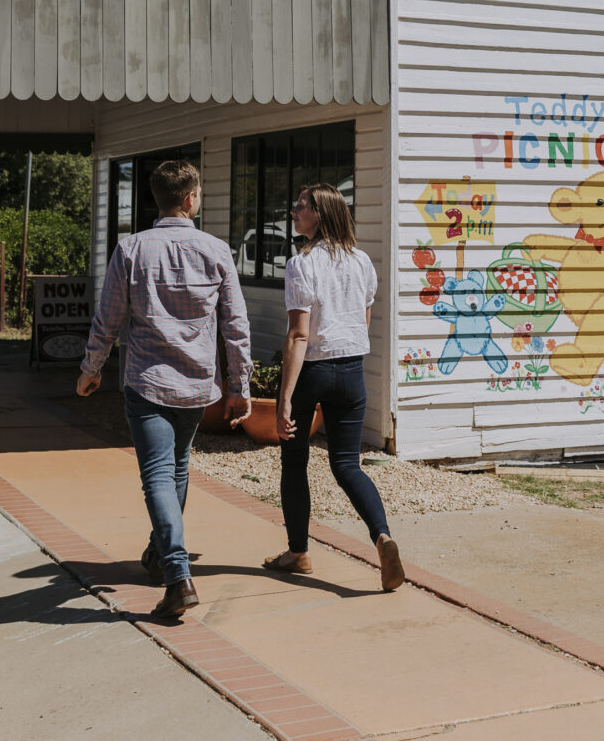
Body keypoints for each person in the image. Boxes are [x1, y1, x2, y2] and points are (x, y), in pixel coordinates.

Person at [77, 160, 251, 619]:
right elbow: (235, 324)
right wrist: (240, 384)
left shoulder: (131, 249)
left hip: (148, 381)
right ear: (191, 198)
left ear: (158, 198)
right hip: (195, 384)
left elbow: (109, 317)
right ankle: (159, 555)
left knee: (159, 474)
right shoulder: (216, 250)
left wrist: (90, 367)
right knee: (175, 470)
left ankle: (176, 575)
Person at [262, 184, 405, 592]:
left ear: (320, 215)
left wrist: (284, 398)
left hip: (314, 371)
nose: (293, 211)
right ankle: (381, 536)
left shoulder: (301, 263)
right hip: (352, 372)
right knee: (346, 465)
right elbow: (362, 323)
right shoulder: (362, 262)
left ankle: (298, 552)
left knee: (294, 462)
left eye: (301, 206)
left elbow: (298, 336)